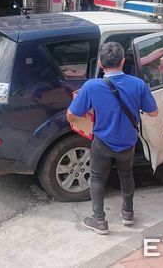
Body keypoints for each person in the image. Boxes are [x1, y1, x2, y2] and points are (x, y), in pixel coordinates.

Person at [67, 42, 158, 235]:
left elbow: (71, 114)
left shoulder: (91, 86)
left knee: (97, 177)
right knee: (126, 174)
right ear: (123, 61)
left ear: (100, 63)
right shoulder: (138, 84)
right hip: (128, 142)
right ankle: (128, 213)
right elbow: (154, 112)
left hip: (102, 142)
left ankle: (99, 220)